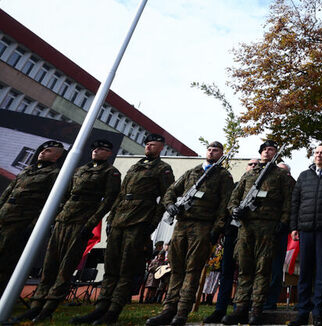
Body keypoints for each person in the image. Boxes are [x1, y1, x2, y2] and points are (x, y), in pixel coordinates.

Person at [72, 133, 175, 325]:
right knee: (111, 266)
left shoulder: (163, 169)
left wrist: (151, 224)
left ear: (161, 148)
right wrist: (111, 219)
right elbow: (121, 195)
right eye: (147, 144)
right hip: (119, 220)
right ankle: (100, 307)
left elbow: (165, 198)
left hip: (139, 222)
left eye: (153, 145)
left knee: (126, 268)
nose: (148, 147)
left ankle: (114, 309)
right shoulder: (135, 166)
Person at [16, 140, 121, 323]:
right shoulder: (80, 170)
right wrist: (57, 215)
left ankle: (49, 307)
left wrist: (90, 223)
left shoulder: (110, 173)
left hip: (81, 222)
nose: (96, 151)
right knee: (49, 266)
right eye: (95, 148)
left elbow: (108, 200)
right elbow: (66, 194)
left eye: (101, 149)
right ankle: (35, 306)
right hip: (63, 220)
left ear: (109, 153)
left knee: (65, 267)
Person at [146, 141, 234, 326]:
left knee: (192, 270)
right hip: (181, 225)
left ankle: (181, 313)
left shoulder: (223, 176)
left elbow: (224, 206)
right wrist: (169, 205)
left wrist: (216, 229)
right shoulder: (192, 172)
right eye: (209, 149)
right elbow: (171, 190)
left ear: (221, 153)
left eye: (216, 150)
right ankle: (168, 310)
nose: (211, 152)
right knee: (175, 268)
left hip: (203, 226)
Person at [223, 140, 293, 326]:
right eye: (264, 150)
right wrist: (234, 210)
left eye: (271, 150)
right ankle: (240, 308)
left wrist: (283, 222)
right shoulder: (249, 175)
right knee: (245, 268)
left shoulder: (280, 175)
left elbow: (288, 201)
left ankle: (256, 309)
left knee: (263, 269)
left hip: (268, 227)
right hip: (246, 227)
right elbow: (234, 199)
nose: (267, 152)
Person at [0, 140, 64, 295]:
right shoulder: (27, 170)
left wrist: (35, 224)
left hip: (22, 221)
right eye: (42, 150)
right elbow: (8, 192)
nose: (42, 152)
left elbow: (54, 201)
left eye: (48, 151)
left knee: (5, 259)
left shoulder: (55, 175)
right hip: (4, 216)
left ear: (56, 156)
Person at [288, 144, 322, 326]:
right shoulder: (304, 176)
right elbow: (295, 202)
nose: (318, 155)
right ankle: (303, 312)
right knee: (305, 273)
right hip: (305, 230)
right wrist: (294, 227)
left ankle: (318, 311)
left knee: (321, 273)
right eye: (316, 152)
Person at [204, 159, 259, 324]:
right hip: (231, 232)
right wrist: (221, 228)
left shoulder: (261, 187)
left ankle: (240, 308)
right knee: (226, 271)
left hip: (250, 233)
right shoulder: (235, 185)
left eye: (256, 165)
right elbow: (226, 206)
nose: (253, 166)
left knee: (246, 271)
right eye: (251, 164)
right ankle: (220, 309)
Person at [264, 162, 296, 310]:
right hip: (264, 229)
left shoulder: (293, 184)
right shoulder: (267, 182)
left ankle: (271, 301)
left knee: (276, 268)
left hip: (282, 231)